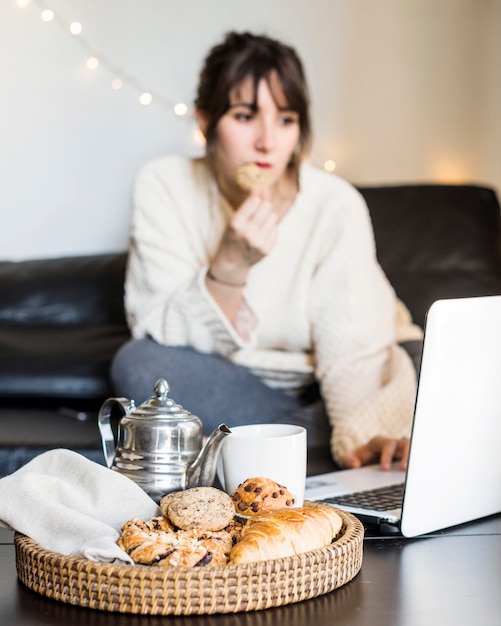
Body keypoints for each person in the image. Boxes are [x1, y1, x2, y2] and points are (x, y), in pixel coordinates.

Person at [111, 31, 423, 470]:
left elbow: (354, 345)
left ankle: (299, 437)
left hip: (331, 374)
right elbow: (156, 328)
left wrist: (361, 434)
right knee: (140, 366)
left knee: (413, 369)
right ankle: (297, 437)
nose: (267, 142)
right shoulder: (163, 184)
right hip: (244, 383)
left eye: (286, 119)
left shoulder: (334, 204)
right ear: (205, 121)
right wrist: (230, 266)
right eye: (244, 116)